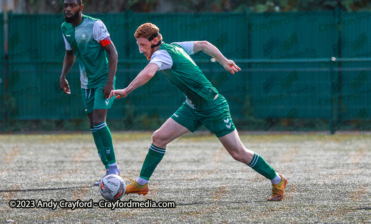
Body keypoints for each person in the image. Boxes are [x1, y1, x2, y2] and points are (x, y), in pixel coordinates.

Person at [109, 23, 288, 201]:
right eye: (138, 45)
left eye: (143, 45)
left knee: (238, 153)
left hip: (213, 107)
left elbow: (148, 74)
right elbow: (203, 44)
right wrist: (224, 61)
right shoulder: (176, 47)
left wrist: (126, 90)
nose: (140, 50)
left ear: (155, 40)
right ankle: (142, 183)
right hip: (192, 107)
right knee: (159, 138)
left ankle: (277, 179)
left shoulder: (162, 54)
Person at [59, 0, 120, 185]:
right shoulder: (65, 27)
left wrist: (109, 83)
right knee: (93, 126)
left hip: (103, 80)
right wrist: (63, 76)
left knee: (99, 121)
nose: (68, 9)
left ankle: (114, 168)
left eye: (72, 6)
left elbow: (113, 52)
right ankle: (107, 170)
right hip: (85, 83)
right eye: (65, 5)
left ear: (81, 7)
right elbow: (70, 54)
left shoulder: (95, 25)